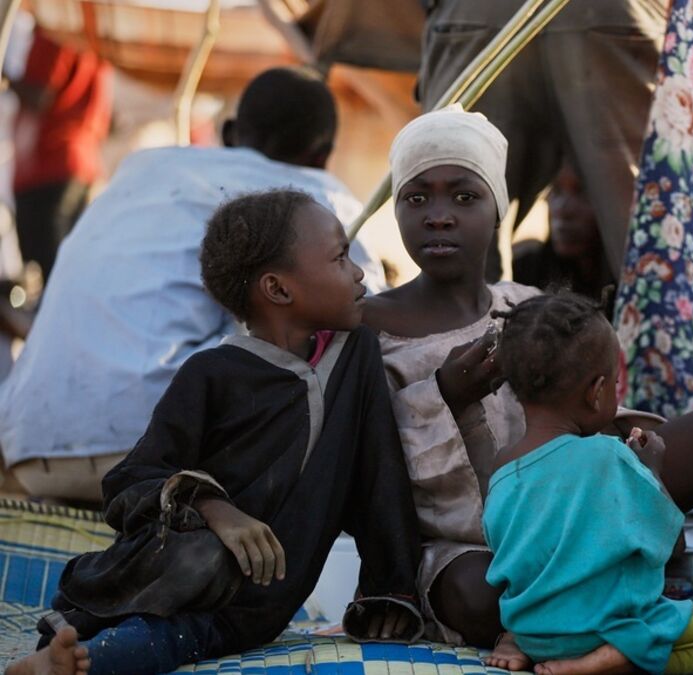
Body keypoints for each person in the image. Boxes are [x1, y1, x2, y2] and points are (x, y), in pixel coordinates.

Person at [363, 106, 693, 648]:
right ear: (397, 210)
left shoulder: (525, 305)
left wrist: (641, 467)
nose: (439, 216)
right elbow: (368, 465)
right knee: (479, 596)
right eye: (416, 198)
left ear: (498, 210)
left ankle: (593, 581)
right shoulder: (369, 327)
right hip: (465, 542)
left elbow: (589, 414)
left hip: (574, 512)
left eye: (465, 196)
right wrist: (445, 397)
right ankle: (607, 595)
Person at [5, 190, 422, 675]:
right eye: (340, 257)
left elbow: (379, 472)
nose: (359, 273)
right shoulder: (210, 374)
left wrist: (390, 590)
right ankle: (65, 656)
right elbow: (128, 482)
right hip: (179, 573)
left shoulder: (355, 356)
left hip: (256, 605)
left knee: (177, 635)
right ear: (278, 289)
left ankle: (72, 661)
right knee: (197, 565)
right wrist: (214, 508)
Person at [0, 67, 385, 504]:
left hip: (29, 446)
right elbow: (366, 310)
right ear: (322, 155)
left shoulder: (140, 172)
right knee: (341, 345)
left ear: (229, 133)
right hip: (154, 449)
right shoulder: (311, 198)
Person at [481, 291, 693, 674]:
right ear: (597, 391)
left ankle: (518, 641)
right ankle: (607, 660)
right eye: (616, 383)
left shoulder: (503, 467)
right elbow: (673, 546)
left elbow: (506, 551)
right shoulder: (608, 455)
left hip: (535, 633)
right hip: (603, 630)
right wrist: (651, 470)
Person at [419, 0, 664, 279]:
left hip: (475, 16)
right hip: (612, 13)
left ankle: (464, 305)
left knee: (459, 232)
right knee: (649, 242)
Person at [10, 24, 112, 278]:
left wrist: (7, 79)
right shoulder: (93, 38)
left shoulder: (56, 33)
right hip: (82, 164)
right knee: (68, 268)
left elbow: (40, 95)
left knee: (49, 271)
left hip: (50, 163)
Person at [512, 164, 612, 309]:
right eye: (557, 191)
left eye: (582, 192)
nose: (562, 209)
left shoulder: (628, 281)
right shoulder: (523, 277)